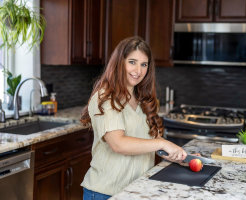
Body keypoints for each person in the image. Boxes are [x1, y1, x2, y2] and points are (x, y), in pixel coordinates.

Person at [80, 36, 200, 200]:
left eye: (144, 64)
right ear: (119, 62)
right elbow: (118, 144)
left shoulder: (144, 99)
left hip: (138, 191)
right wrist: (164, 142)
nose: (138, 70)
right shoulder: (106, 97)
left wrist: (181, 157)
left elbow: (152, 143)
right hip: (106, 192)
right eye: (132, 62)